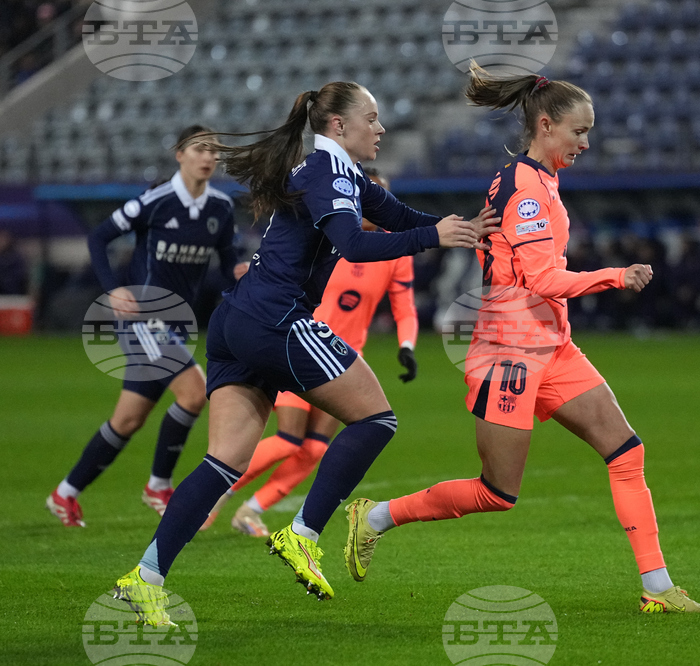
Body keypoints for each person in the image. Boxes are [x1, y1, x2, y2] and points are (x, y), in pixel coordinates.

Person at [110, 81, 499, 626]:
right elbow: (357, 243)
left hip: (235, 321)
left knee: (224, 462)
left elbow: (395, 214)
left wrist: (466, 227)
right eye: (373, 117)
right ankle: (302, 533)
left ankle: (145, 577)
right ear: (338, 125)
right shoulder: (328, 171)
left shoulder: (340, 174)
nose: (381, 128)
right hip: (275, 319)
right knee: (377, 419)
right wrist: (435, 237)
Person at [341, 65, 700, 615]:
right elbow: (541, 279)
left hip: (550, 343)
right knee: (497, 492)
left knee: (626, 451)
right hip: (508, 350)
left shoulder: (540, 181)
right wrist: (615, 275)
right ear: (546, 125)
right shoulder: (524, 187)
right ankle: (374, 516)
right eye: (579, 131)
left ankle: (659, 589)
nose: (586, 143)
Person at [201, 169, 421, 537]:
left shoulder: (393, 252)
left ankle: (251, 511)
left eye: (384, 202)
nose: (377, 209)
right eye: (370, 199)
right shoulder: (330, 237)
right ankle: (217, 490)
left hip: (344, 359)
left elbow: (405, 305)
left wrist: (407, 345)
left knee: (315, 447)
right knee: (288, 438)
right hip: (297, 344)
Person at [47, 125, 246, 527]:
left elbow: (226, 265)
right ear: (180, 154)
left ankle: (64, 494)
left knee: (128, 420)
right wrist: (113, 290)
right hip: (143, 319)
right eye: (200, 149)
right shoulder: (155, 201)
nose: (209, 157)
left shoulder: (220, 208)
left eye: (214, 151)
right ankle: (159, 485)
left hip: (177, 325)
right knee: (194, 393)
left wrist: (239, 273)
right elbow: (99, 238)